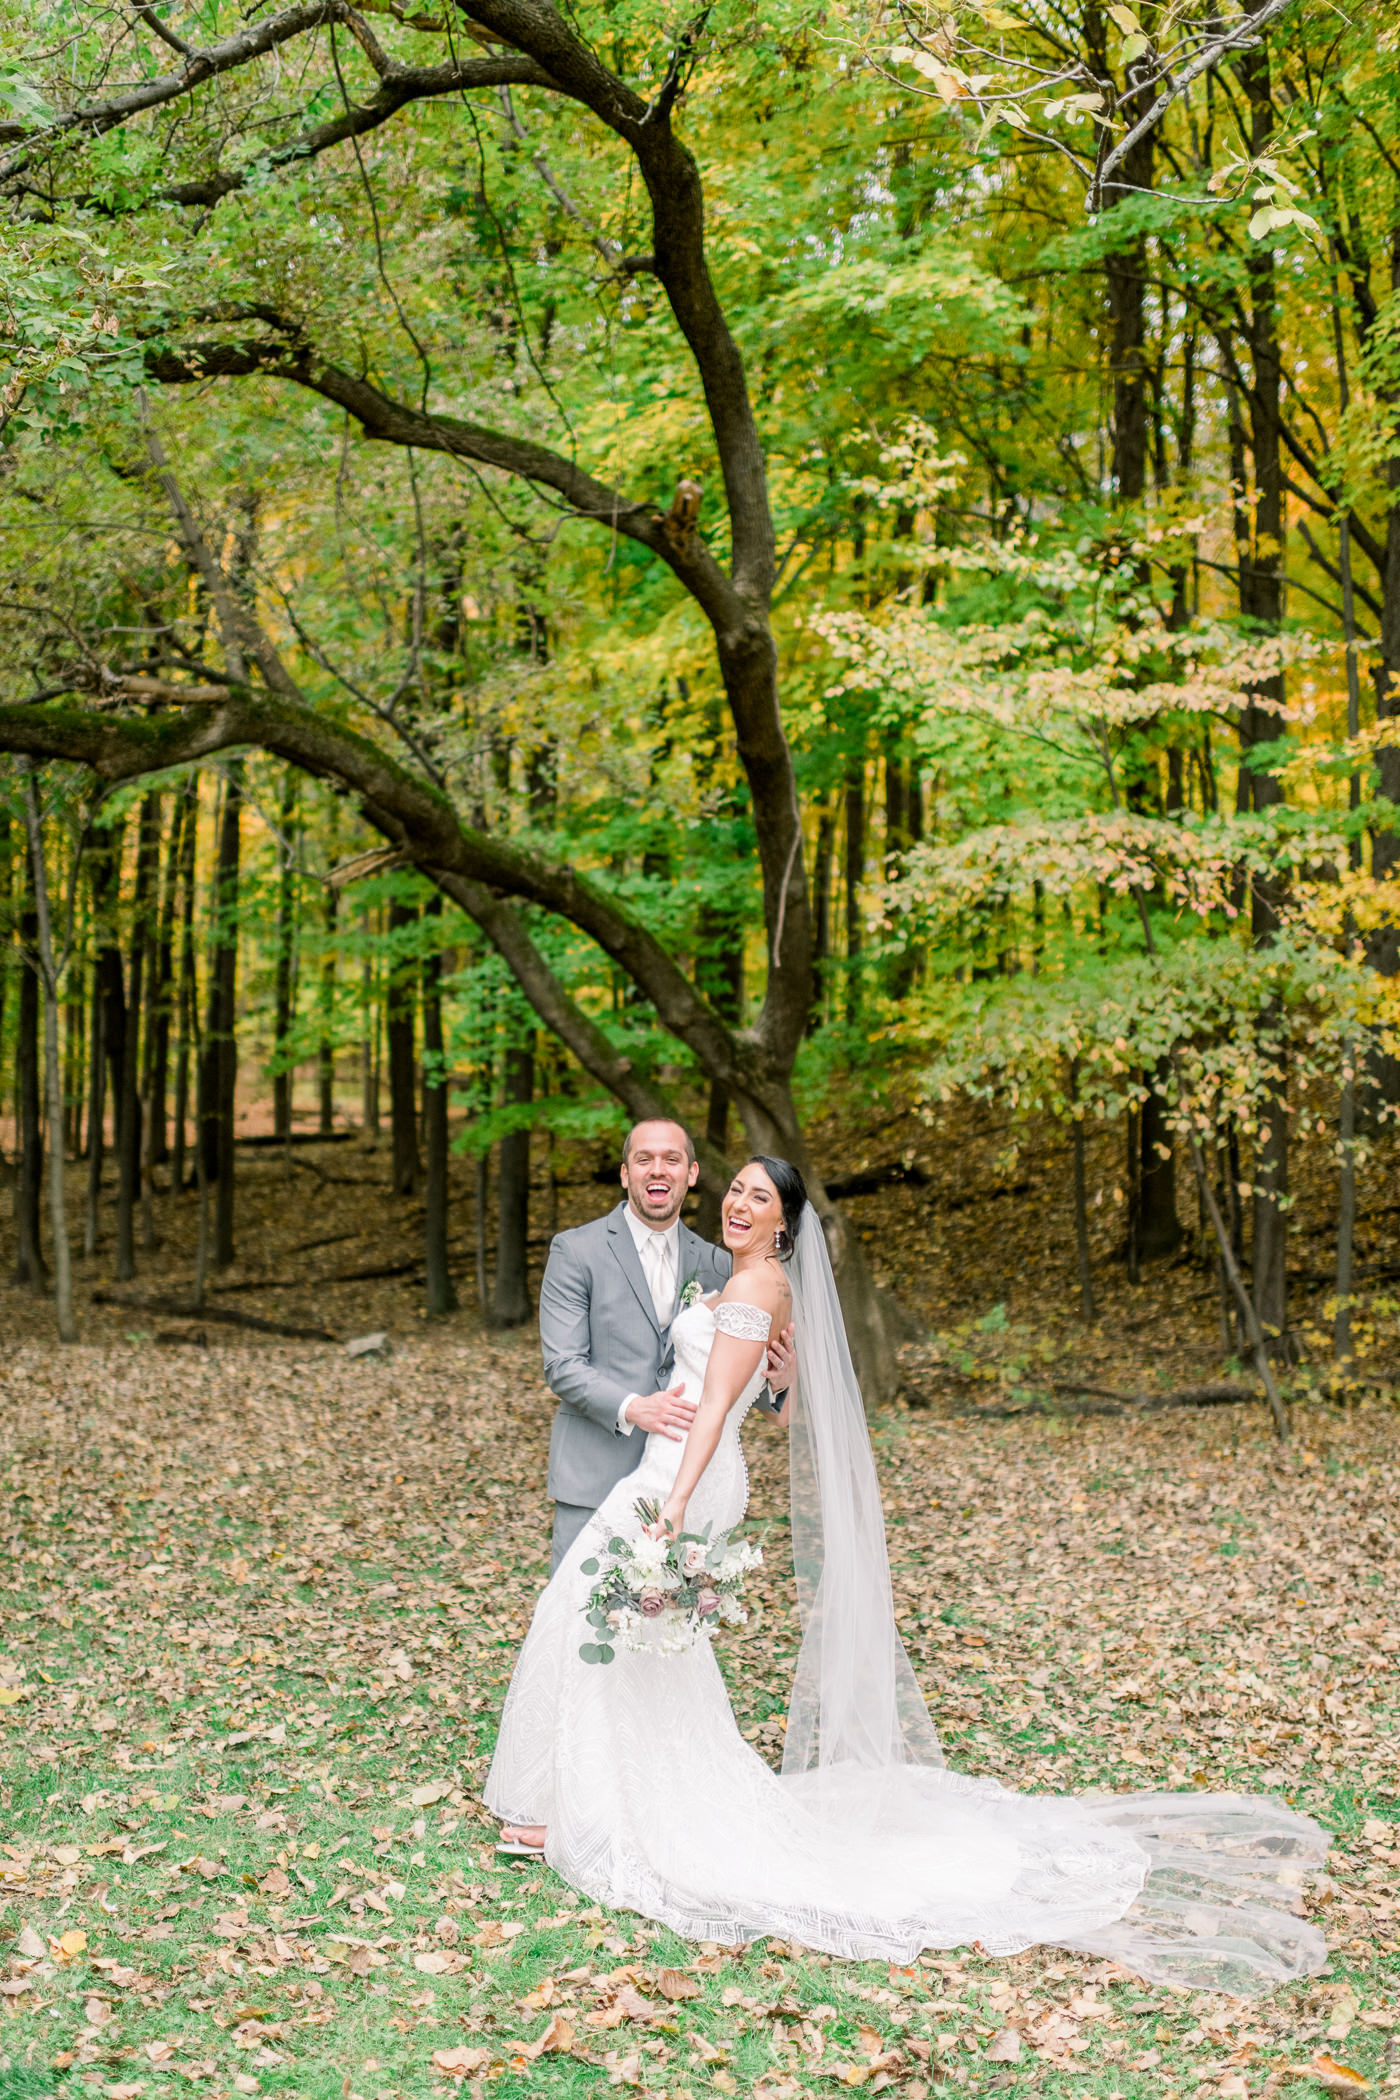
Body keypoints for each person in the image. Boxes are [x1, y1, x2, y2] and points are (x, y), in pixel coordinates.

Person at [487, 1155, 1329, 1993]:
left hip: (681, 1477)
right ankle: (591, 1798)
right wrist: (767, 1385)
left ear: (785, 1222)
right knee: (622, 1630)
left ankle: (604, 1810)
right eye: (736, 1190)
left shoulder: (754, 1289)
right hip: (680, 1469)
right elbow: (753, 1383)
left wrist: (672, 1503)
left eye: (760, 1198)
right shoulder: (748, 1284)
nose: (741, 1205)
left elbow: (713, 1409)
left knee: (603, 1617)